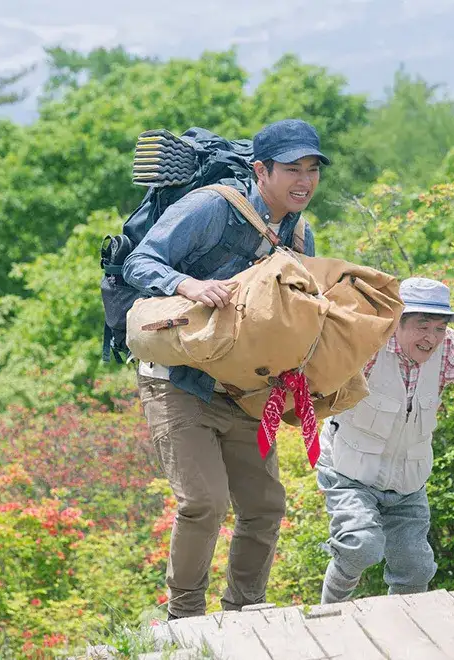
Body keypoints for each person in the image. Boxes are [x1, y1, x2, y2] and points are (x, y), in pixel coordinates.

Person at [122, 119, 328, 619]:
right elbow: (138, 261)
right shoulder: (214, 206)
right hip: (178, 382)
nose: (303, 181)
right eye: (290, 169)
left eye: (312, 170)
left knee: (264, 507)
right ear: (260, 170)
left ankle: (244, 612)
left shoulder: (301, 236)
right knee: (204, 502)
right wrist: (187, 285)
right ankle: (185, 618)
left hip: (242, 388)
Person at [315, 276, 454, 604]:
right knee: (360, 546)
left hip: (407, 483)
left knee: (416, 567)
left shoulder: (445, 346)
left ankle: (404, 632)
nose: (432, 338)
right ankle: (328, 617)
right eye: (423, 326)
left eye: (439, 328)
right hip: (349, 472)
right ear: (399, 321)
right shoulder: (370, 345)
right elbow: (323, 366)